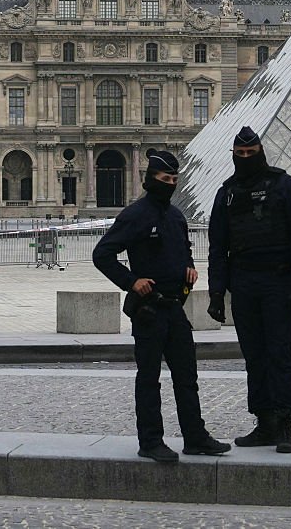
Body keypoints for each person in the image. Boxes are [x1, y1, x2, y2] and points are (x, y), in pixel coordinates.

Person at [93, 151, 231, 463]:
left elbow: (183, 250)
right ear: (150, 179)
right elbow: (102, 254)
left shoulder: (176, 216)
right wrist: (131, 281)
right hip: (149, 310)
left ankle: (195, 437)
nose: (169, 184)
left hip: (174, 308)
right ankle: (151, 441)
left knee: (187, 376)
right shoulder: (135, 214)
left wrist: (189, 267)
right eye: (164, 179)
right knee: (149, 378)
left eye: (173, 180)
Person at [207, 126, 291, 454]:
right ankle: (264, 421)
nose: (246, 159)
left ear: (261, 152)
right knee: (254, 355)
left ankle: (284, 424)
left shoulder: (285, 186)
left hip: (278, 282)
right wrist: (216, 294)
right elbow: (217, 246)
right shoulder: (227, 193)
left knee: (279, 353)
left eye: (251, 154)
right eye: (241, 155)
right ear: (234, 156)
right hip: (244, 282)